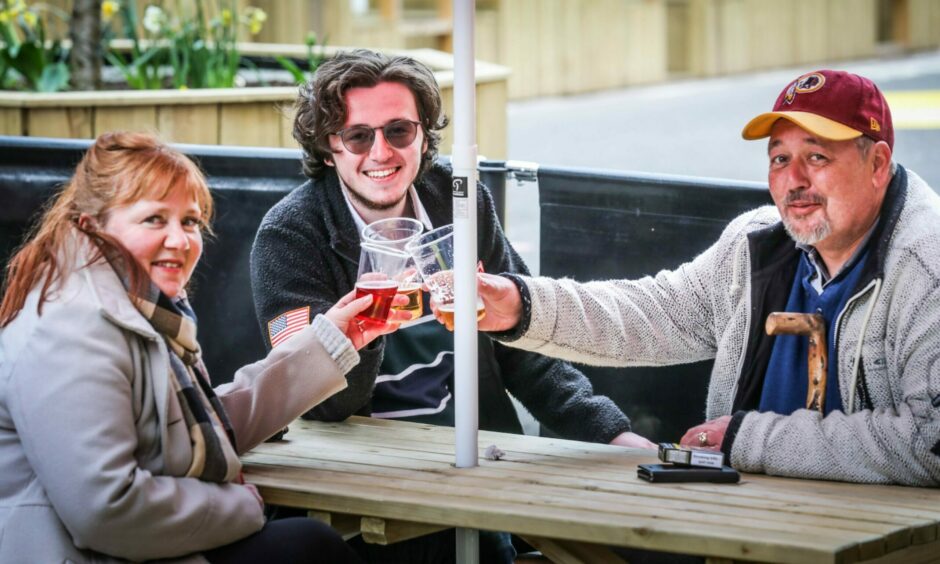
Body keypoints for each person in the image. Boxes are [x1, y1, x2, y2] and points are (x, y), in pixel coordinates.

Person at [250, 49, 654, 561]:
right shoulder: (291, 233)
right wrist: (370, 316)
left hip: (473, 453)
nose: (381, 153)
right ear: (329, 148)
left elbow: (523, 346)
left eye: (399, 130)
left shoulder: (460, 202)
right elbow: (317, 402)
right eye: (358, 135)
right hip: (359, 467)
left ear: (423, 134)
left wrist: (608, 432)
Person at [464, 69, 940, 486]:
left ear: (877, 164)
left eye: (816, 157)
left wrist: (745, 439)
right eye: (778, 158)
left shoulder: (927, 266)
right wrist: (522, 307)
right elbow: (650, 313)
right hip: (749, 521)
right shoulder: (756, 245)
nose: (793, 179)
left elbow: (930, 442)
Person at [0, 132, 406, 563]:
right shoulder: (70, 329)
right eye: (154, 219)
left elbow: (201, 427)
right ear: (92, 225)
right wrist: (244, 506)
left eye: (189, 221)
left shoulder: (134, 307)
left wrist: (335, 341)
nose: (180, 240)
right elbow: (107, 510)